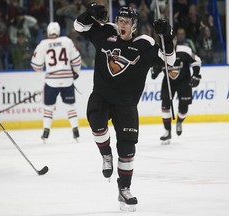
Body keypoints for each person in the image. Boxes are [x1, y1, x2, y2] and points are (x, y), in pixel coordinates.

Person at [74, 3, 175, 211]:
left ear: (134, 25)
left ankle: (124, 190)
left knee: (128, 150)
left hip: (127, 103)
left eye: (126, 22)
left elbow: (169, 60)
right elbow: (78, 26)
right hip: (102, 95)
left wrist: (167, 35)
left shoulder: (144, 44)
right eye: (120, 21)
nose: (122, 25)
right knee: (96, 123)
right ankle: (105, 155)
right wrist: (90, 13)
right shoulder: (106, 32)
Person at [31, 22, 81, 143]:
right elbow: (77, 60)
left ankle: (46, 132)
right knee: (70, 106)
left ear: (48, 32)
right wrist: (75, 73)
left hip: (51, 81)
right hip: (67, 79)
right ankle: (75, 130)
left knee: (48, 107)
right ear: (59, 32)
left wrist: (45, 67)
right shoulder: (67, 41)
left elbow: (36, 66)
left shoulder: (43, 44)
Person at [151, 36, 201, 144]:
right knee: (165, 105)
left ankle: (179, 121)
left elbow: (196, 61)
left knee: (183, 109)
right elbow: (156, 67)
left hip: (184, 82)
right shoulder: (160, 53)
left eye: (170, 40)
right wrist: (155, 70)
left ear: (175, 40)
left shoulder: (184, 50)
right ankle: (167, 131)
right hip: (168, 83)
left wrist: (196, 74)